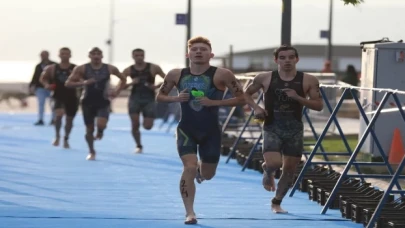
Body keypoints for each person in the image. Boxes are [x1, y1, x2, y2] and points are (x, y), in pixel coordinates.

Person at [156, 36, 245, 225]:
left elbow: (241, 99)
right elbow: (160, 96)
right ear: (188, 54)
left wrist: (214, 102)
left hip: (211, 131)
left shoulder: (222, 74)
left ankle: (200, 171)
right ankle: (190, 212)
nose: (198, 52)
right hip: (186, 129)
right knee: (188, 166)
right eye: (194, 49)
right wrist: (176, 98)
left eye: (203, 49)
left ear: (210, 54)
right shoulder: (175, 74)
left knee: (208, 174)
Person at [243, 45, 323, 214]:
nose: (287, 61)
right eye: (283, 57)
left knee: (289, 170)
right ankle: (268, 168)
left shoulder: (308, 80)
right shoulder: (265, 78)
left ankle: (276, 202)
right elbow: (245, 93)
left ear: (297, 59)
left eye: (290, 57)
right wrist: (256, 108)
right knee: (274, 163)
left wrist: (298, 98)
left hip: (294, 129)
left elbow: (318, 105)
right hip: (272, 126)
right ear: (276, 60)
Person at [65, 47, 127, 161]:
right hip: (87, 101)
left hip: (103, 100)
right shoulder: (82, 68)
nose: (96, 56)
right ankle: (91, 151)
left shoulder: (109, 68)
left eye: (98, 54)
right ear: (89, 56)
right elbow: (68, 83)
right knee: (89, 129)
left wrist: (116, 91)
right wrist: (83, 82)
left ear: (102, 56)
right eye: (93, 54)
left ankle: (100, 130)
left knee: (101, 124)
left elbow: (123, 79)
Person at [122, 48, 166, 153]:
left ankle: (147, 121)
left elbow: (168, 79)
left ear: (144, 56)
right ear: (132, 57)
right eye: (137, 55)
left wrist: (156, 86)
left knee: (147, 126)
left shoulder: (154, 68)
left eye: (141, 55)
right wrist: (131, 83)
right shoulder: (128, 70)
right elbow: (121, 86)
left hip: (149, 99)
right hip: (134, 98)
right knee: (135, 123)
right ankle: (138, 145)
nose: (139, 57)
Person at [40, 47, 78, 149]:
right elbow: (43, 78)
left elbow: (83, 80)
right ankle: (57, 136)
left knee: (69, 119)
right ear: (59, 55)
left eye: (67, 54)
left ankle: (66, 138)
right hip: (58, 95)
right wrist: (47, 85)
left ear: (70, 55)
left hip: (72, 96)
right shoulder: (52, 68)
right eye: (62, 53)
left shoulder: (75, 68)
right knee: (58, 115)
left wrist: (79, 84)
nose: (64, 55)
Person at [29, 50, 56, 126]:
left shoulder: (54, 65)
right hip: (40, 88)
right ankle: (40, 119)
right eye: (41, 55)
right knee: (41, 104)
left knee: (53, 104)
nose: (42, 57)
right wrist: (31, 85)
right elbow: (35, 77)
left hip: (52, 88)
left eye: (44, 55)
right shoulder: (38, 66)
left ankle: (54, 119)